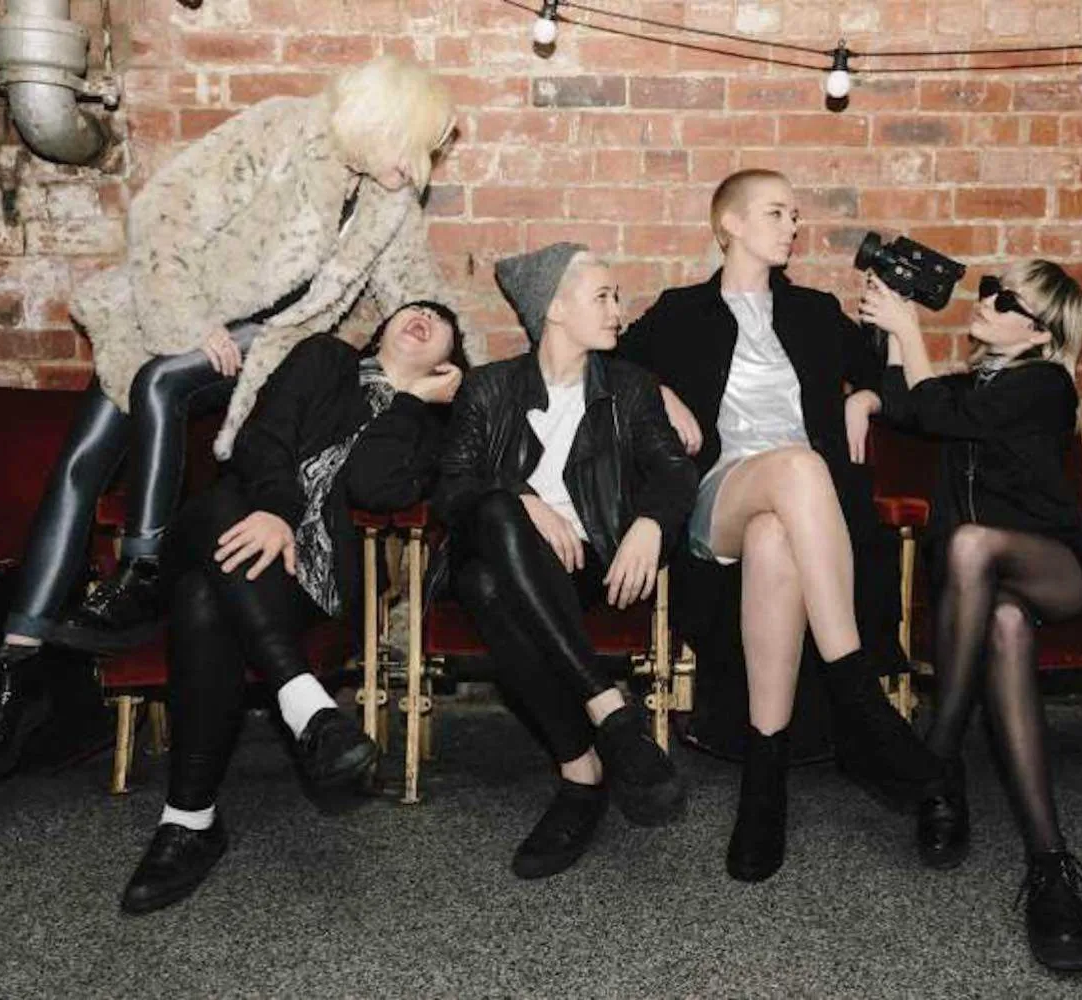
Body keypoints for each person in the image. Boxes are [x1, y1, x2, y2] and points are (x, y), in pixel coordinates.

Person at [0, 55, 459, 792]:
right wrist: (187, 321)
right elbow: (163, 212)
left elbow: (422, 295)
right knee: (81, 464)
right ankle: (15, 663)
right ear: (382, 124)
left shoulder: (390, 203)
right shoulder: (282, 131)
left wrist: (463, 376)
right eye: (416, 146)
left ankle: (144, 569)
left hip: (262, 342)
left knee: (162, 384)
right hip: (173, 309)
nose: (420, 167)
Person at [616, 168, 941, 884]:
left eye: (795, 215)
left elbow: (901, 391)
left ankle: (764, 788)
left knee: (774, 537)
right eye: (775, 213)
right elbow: (604, 367)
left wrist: (866, 401)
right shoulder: (680, 311)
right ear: (728, 224)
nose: (792, 225)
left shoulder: (816, 312)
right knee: (795, 466)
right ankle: (858, 695)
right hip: (718, 497)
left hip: (801, 516)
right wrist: (660, 392)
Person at [120, 302, 466, 915]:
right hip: (236, 516)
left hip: (308, 577)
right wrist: (277, 512)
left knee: (203, 598)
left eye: (440, 324)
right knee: (222, 512)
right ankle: (306, 706)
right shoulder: (325, 358)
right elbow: (262, 440)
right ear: (380, 330)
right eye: (413, 308)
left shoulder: (429, 430)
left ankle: (189, 822)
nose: (423, 316)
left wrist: (409, 400)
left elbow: (373, 486)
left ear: (448, 364)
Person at [859, 260, 1082, 973]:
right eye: (991, 290)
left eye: (1007, 300)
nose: (987, 303)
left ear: (1041, 334)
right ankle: (1050, 866)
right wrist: (874, 383)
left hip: (1057, 569)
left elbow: (941, 414)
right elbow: (909, 406)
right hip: (992, 594)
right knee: (1003, 624)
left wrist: (911, 330)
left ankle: (937, 754)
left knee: (970, 543)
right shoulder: (977, 384)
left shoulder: (1046, 386)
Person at [434, 243, 699, 880]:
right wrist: (525, 500)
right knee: (496, 521)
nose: (617, 311)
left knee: (487, 587)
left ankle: (581, 774)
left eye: (616, 297)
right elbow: (451, 489)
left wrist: (650, 522)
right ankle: (609, 711)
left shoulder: (630, 388)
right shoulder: (488, 387)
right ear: (553, 307)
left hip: (579, 568)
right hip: (492, 544)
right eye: (602, 297)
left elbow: (674, 471)